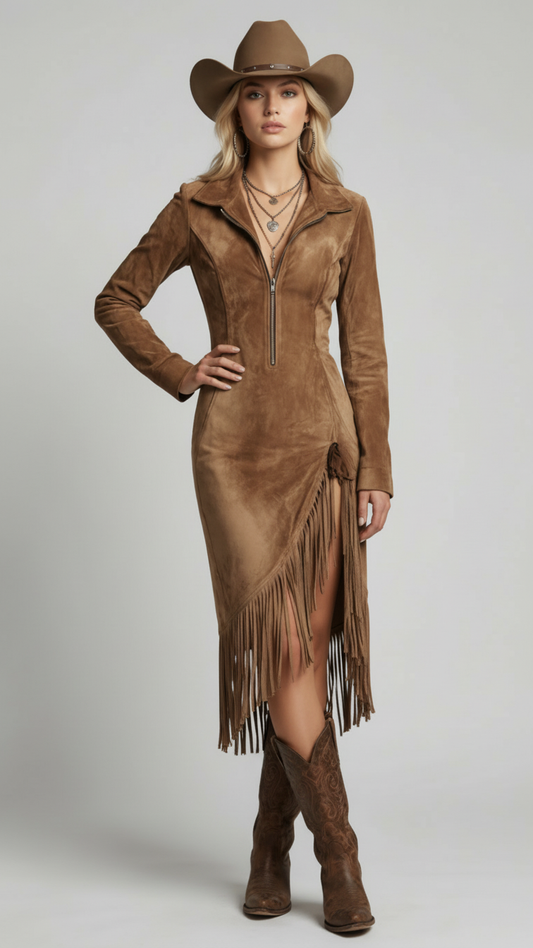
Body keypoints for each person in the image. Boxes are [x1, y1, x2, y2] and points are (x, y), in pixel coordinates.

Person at [95, 19, 393, 935]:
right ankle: (339, 859)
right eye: (255, 92)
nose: (272, 106)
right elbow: (116, 300)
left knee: (296, 657)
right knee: (284, 654)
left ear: (310, 110)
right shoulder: (196, 205)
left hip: (325, 454)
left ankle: (269, 849)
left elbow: (366, 354)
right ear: (235, 109)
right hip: (231, 457)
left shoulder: (346, 212)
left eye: (288, 92)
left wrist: (377, 466)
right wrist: (182, 369)